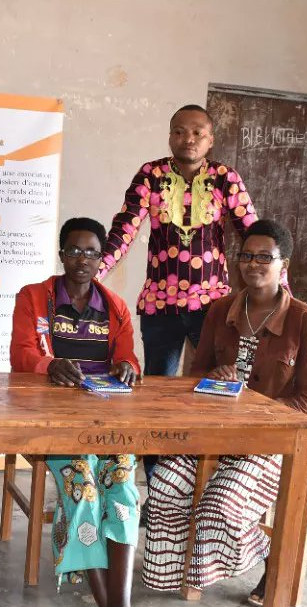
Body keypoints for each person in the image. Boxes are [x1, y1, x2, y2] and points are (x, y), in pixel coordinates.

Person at [142, 219, 307, 607]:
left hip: (270, 443)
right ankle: (183, 571)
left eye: (265, 257)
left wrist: (256, 409)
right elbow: (195, 377)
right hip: (213, 435)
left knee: (220, 506)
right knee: (163, 485)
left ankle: (275, 557)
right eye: (246, 256)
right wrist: (213, 376)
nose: (253, 264)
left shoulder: (304, 320)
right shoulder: (220, 310)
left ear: (284, 265)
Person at [97, 103, 259, 519]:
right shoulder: (150, 175)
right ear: (170, 136)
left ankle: (214, 489)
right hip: (161, 304)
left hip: (213, 307)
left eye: (198, 133)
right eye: (180, 132)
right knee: (157, 396)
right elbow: (125, 228)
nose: (189, 139)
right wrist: (93, 274)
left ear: (211, 139)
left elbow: (252, 233)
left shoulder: (225, 178)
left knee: (218, 390)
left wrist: (280, 286)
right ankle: (160, 491)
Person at [11, 217, 141, 607]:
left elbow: (128, 358)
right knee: (83, 486)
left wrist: (127, 367)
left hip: (107, 423)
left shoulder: (115, 307)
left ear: (102, 258)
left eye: (91, 252)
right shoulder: (35, 297)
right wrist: (49, 365)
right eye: (73, 250)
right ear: (61, 254)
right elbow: (20, 354)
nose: (82, 259)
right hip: (54, 423)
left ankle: (119, 606)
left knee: (124, 487)